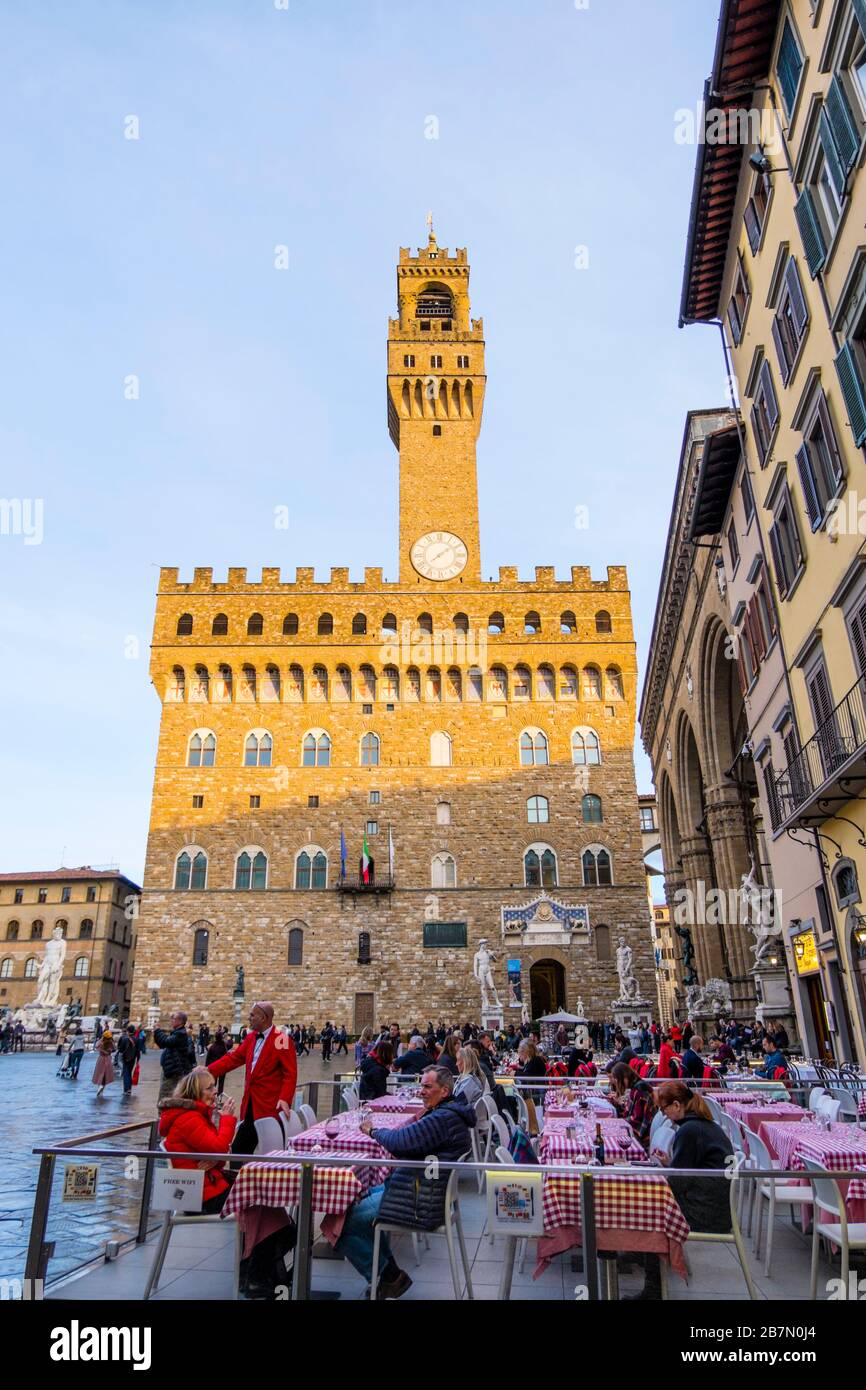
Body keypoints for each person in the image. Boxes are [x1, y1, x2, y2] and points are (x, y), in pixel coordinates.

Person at [338, 1065, 477, 1298]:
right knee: (357, 1196)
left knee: (342, 1222)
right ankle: (389, 1275)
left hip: (421, 1199)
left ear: (444, 1091)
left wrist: (373, 1131)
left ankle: (388, 1276)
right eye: (421, 1085)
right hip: (428, 1190)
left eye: (427, 1086)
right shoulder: (450, 1112)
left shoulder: (441, 1118)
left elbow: (400, 1142)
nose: (421, 1091)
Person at [159, 1066, 294, 1298]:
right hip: (199, 1196)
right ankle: (255, 1275)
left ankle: (255, 1272)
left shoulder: (196, 1116)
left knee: (266, 1200)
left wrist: (215, 1158)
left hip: (208, 1187)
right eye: (210, 1088)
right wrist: (229, 1120)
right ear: (196, 1092)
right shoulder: (189, 1119)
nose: (215, 1092)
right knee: (261, 1201)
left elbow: (219, 1157)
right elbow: (221, 1150)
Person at [626, 1081, 735, 1300]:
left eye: (664, 1109)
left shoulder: (689, 1130)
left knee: (653, 1214)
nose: (663, 1115)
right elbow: (688, 1171)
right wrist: (670, 1166)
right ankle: (642, 1253)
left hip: (706, 1211)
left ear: (676, 1105)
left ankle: (653, 1288)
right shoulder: (702, 1125)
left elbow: (678, 1182)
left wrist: (663, 1174)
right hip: (716, 1204)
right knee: (652, 1207)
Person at [207, 1001, 298, 1154]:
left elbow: (290, 1073)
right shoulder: (251, 1038)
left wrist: (285, 1098)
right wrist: (208, 1070)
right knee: (239, 1149)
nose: (249, 1018)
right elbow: (234, 1058)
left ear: (263, 1018)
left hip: (269, 1106)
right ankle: (239, 1176)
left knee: (272, 1151)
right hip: (250, 1104)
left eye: (252, 1015)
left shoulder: (280, 1039)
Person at [607, 1062, 655, 1148]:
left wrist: (616, 1124)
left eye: (617, 1080)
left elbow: (636, 1119)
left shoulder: (639, 1091)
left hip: (642, 1137)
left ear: (624, 1078)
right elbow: (632, 1113)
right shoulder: (637, 1087)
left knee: (609, 1139)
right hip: (641, 1131)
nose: (616, 1083)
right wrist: (618, 1103)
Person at [153, 1010, 197, 1101]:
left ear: (180, 1021)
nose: (171, 1020)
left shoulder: (180, 1034)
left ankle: (164, 1114)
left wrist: (157, 1030)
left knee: (165, 1096)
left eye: (173, 1018)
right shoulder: (177, 1033)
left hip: (174, 1072)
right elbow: (163, 1044)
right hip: (171, 1070)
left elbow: (165, 1041)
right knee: (168, 1095)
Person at [116, 1025, 140, 1095]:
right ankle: (129, 1088)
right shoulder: (136, 1039)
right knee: (129, 1073)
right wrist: (138, 1059)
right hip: (133, 1059)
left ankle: (126, 1089)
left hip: (125, 1058)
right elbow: (138, 1051)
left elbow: (120, 1049)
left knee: (126, 1074)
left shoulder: (124, 1039)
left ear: (128, 1031)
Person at [92, 1029, 116, 1096]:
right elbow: (114, 1049)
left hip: (101, 1059)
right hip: (108, 1059)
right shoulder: (111, 1042)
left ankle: (100, 1087)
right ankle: (102, 1089)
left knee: (99, 1073)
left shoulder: (101, 1042)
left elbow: (96, 1046)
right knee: (105, 1075)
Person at [206, 1026, 229, 1095]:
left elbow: (208, 1058)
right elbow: (226, 1057)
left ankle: (213, 1095)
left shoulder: (212, 1047)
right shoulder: (224, 1047)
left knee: (213, 1082)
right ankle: (219, 1096)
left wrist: (206, 1067)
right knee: (221, 1082)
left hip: (213, 1067)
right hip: (222, 1067)